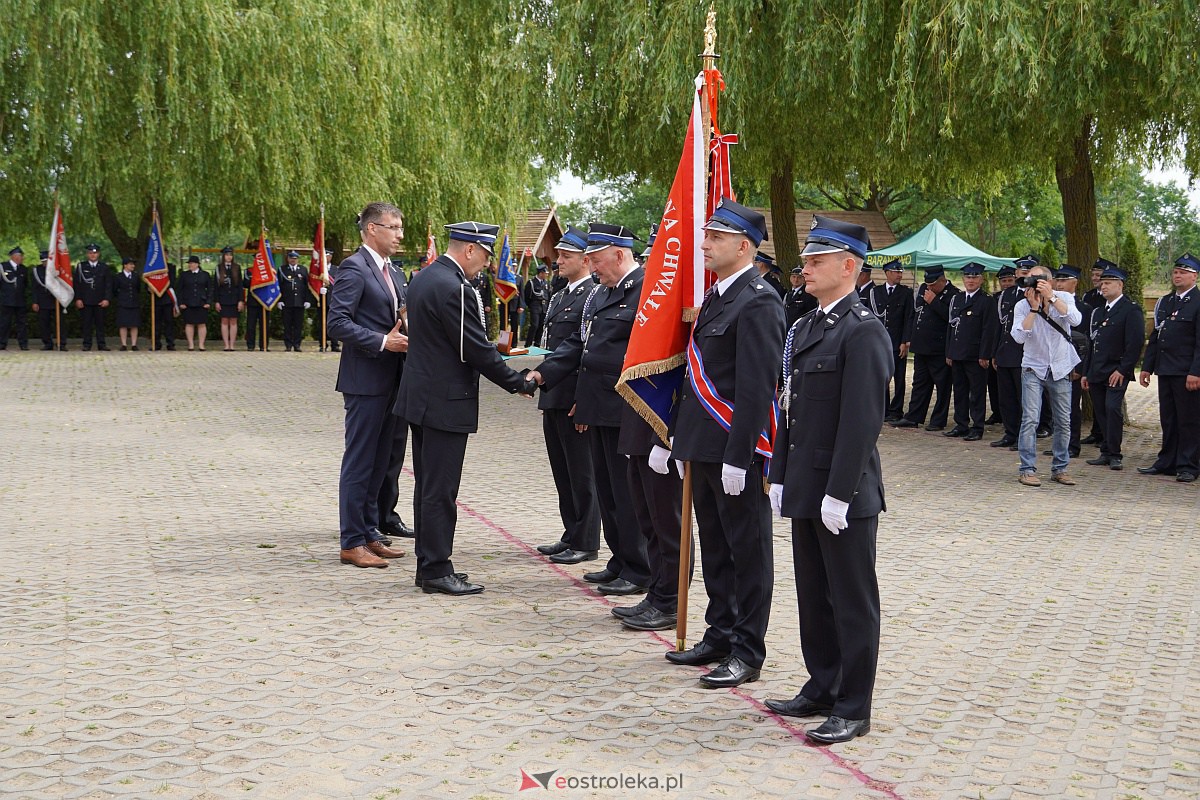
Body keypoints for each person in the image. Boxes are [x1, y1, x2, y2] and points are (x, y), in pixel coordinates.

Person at [765, 215, 891, 745]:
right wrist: (778, 474)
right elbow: (789, 408)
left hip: (844, 492)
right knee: (814, 596)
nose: (806, 268)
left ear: (848, 266)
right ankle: (822, 685)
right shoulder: (807, 326)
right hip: (805, 484)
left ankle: (854, 706)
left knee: (851, 601)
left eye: (817, 261)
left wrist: (839, 492)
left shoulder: (863, 330)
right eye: (806, 260)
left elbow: (862, 422)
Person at [659, 198, 784, 686]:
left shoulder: (760, 300)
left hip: (735, 450)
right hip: (704, 444)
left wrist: (741, 454)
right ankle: (720, 633)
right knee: (715, 546)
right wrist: (679, 438)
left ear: (744, 246)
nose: (705, 244)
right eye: (706, 235)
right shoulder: (717, 296)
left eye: (715, 237)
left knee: (747, 551)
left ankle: (748, 650)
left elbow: (757, 386)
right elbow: (694, 376)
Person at [393, 221, 535, 595]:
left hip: (421, 397)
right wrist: (517, 382)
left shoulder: (424, 278)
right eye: (485, 255)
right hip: (445, 401)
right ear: (470, 249)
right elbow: (474, 349)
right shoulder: (455, 287)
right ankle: (437, 569)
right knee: (440, 491)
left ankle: (428, 566)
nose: (487, 264)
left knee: (427, 486)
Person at [527, 223, 651, 598]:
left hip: (625, 407)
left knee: (626, 494)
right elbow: (579, 345)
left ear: (619, 254)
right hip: (598, 405)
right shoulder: (603, 292)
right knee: (609, 492)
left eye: (597, 260)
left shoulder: (645, 290)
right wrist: (541, 374)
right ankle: (620, 560)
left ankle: (640, 569)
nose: (592, 267)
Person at [327, 202, 410, 570]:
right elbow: (337, 323)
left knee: (381, 461)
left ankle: (369, 531)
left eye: (400, 227)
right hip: (365, 379)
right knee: (360, 461)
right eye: (393, 227)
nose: (399, 235)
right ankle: (351, 541)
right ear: (372, 229)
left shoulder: (392, 271)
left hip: (393, 376)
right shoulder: (354, 267)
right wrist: (381, 341)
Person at [533, 226, 601, 564]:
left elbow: (587, 351)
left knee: (582, 473)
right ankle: (571, 532)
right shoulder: (560, 296)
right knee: (562, 471)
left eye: (565, 256)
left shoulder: (593, 296)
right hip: (553, 394)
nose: (558, 260)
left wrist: (584, 398)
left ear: (586, 260)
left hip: (574, 396)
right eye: (559, 254)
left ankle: (586, 540)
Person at [1010, 263, 1083, 486]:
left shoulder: (1064, 297)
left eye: (1038, 279)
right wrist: (1033, 309)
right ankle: (1027, 469)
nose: (1033, 284)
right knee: (1030, 419)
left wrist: (1051, 298)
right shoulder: (1022, 305)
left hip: (1060, 368)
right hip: (1033, 368)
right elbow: (1018, 337)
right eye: (1029, 279)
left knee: (1063, 421)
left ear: (1049, 281)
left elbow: (1075, 320)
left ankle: (1060, 468)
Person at [1137, 253, 1200, 482]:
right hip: (1165, 369)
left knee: (1189, 420)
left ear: (1194, 276)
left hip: (1186, 371)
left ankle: (1188, 465)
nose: (1177, 276)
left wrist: (1196, 371)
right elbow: (1156, 336)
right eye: (1175, 272)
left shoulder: (1197, 302)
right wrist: (1147, 366)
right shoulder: (1165, 301)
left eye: (1183, 272)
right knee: (1169, 418)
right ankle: (1167, 461)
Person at [1081, 265, 1144, 471]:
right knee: (1101, 411)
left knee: (1112, 409)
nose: (1103, 286)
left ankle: (1115, 454)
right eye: (1102, 283)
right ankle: (1106, 451)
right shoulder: (1099, 311)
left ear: (1120, 285)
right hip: (1097, 370)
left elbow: (1134, 344)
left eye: (1108, 283)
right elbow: (1092, 344)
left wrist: (1123, 370)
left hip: (1116, 370)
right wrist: (1086, 372)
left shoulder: (1130, 309)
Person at [891, 266, 959, 431]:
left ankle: (938, 420)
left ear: (942, 280)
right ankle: (914, 416)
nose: (929, 287)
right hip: (921, 345)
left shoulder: (954, 294)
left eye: (933, 284)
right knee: (919, 384)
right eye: (927, 284)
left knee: (942, 386)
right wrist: (909, 337)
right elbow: (914, 314)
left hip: (939, 348)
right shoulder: (923, 289)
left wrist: (934, 302)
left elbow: (951, 318)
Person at [944, 262, 991, 441]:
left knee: (977, 393)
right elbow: (951, 327)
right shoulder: (957, 299)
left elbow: (988, 330)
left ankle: (977, 427)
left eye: (974, 277)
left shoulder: (986, 301)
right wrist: (949, 352)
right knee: (960, 391)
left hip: (975, 355)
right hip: (958, 352)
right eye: (968, 277)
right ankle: (961, 424)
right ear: (963, 279)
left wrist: (984, 354)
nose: (971, 280)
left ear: (981, 279)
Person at [984, 262, 1029, 449]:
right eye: (1021, 270)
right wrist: (995, 351)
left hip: (1025, 353)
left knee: (1023, 399)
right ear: (1016, 272)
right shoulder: (1007, 294)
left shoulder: (1036, 293)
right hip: (1005, 351)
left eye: (1028, 271)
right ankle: (1010, 433)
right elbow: (999, 326)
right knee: (1006, 398)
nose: (1024, 274)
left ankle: (1024, 437)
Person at [864, 259, 914, 421]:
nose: (899, 275)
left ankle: (896, 410)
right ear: (887, 273)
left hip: (897, 341)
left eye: (900, 272)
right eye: (896, 272)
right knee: (881, 377)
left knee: (899, 377)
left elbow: (908, 317)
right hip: (880, 341)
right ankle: (883, 408)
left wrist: (905, 341)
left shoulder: (906, 293)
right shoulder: (876, 292)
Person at [74, 244, 112, 351]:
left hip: (100, 300)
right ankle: (87, 344)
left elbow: (108, 284)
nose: (93, 255)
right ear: (87, 254)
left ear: (98, 254)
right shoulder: (81, 266)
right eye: (90, 253)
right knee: (86, 324)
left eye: (95, 253)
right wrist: (78, 298)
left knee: (100, 324)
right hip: (86, 300)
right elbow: (77, 284)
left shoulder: (104, 267)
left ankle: (101, 344)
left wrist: (107, 299)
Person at [31, 251, 66, 351]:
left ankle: (61, 343)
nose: (45, 263)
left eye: (47, 261)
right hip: (43, 300)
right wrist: (35, 301)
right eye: (43, 261)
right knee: (44, 324)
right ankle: (47, 343)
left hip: (56, 300)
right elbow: (35, 288)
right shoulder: (37, 270)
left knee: (60, 323)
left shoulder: (57, 270)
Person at [178, 255, 212, 351]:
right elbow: (179, 290)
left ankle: (201, 344)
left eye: (192, 263)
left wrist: (208, 302)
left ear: (197, 264)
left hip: (201, 302)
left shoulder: (205, 275)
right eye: (189, 263)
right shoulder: (184, 275)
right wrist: (181, 302)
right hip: (188, 302)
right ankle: (191, 344)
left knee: (202, 324)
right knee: (189, 323)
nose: (190, 265)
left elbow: (210, 289)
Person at [278, 250, 310, 352]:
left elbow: (307, 286)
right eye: (291, 258)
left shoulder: (303, 269)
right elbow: (279, 286)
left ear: (298, 259)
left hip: (299, 302)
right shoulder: (282, 269)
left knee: (298, 325)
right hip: (286, 302)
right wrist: (280, 300)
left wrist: (307, 300)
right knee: (287, 325)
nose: (293, 260)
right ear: (288, 259)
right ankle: (288, 345)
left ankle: (297, 345)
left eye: (295, 259)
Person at [0, 247, 30, 350]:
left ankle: (23, 344)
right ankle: (2, 343)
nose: (22, 258)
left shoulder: (23, 269)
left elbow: (25, 284)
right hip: (7, 300)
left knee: (22, 323)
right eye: (21, 256)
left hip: (20, 301)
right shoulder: (3, 267)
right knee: (5, 323)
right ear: (14, 256)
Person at [214, 247, 243, 352]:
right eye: (227, 255)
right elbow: (216, 286)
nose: (229, 257)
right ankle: (226, 345)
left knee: (233, 321)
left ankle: (232, 345)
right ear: (223, 256)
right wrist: (216, 301)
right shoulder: (218, 268)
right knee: (224, 321)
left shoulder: (237, 267)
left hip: (234, 298)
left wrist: (240, 300)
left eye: (230, 255)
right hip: (223, 299)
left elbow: (240, 285)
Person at [111, 257, 142, 350]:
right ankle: (124, 344)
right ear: (125, 265)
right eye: (131, 264)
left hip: (134, 303)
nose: (133, 266)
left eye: (133, 264)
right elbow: (115, 290)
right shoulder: (118, 277)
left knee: (134, 324)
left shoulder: (136, 276)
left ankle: (134, 344)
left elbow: (138, 289)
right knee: (123, 324)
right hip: (123, 303)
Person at [153, 262, 180, 351]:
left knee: (169, 323)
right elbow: (149, 282)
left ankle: (170, 343)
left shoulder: (171, 267)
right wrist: (149, 289)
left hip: (167, 299)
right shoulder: (153, 266)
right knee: (156, 323)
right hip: (156, 299)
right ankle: (156, 343)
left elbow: (172, 282)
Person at [523, 263, 550, 347]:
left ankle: (537, 344)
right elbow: (527, 296)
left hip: (544, 307)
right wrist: (530, 306)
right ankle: (528, 344)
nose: (546, 275)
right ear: (541, 273)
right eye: (545, 273)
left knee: (541, 325)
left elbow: (548, 295)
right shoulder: (531, 282)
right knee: (534, 325)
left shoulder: (546, 283)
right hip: (535, 306)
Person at [784, 265, 819, 330]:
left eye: (799, 277)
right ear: (790, 278)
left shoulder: (808, 294)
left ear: (804, 279)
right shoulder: (789, 293)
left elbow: (811, 313)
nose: (796, 280)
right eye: (794, 277)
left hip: (800, 328)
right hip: (788, 327)